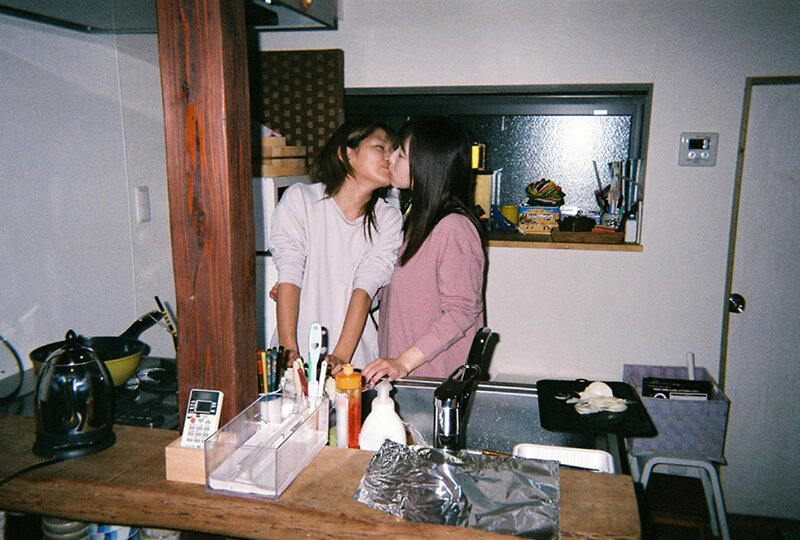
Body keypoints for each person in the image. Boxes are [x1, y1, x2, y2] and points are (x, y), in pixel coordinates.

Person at [269, 120, 404, 372]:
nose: (390, 157)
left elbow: (365, 287)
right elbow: (290, 271)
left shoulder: (388, 218)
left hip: (355, 358)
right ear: (346, 154)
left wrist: (341, 357)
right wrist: (288, 349)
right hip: (294, 351)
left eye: (394, 151)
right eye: (380, 147)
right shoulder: (301, 199)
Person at [362, 116, 485, 385]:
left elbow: (462, 312)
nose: (390, 158)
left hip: (434, 381)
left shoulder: (454, 227)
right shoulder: (413, 220)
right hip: (406, 376)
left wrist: (403, 362)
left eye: (401, 154)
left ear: (426, 165)